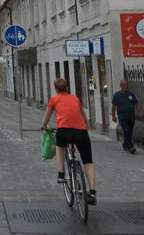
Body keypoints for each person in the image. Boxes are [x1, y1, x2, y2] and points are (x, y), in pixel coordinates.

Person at [41, 77, 97, 205]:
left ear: (56, 89)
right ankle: (92, 192)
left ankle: (61, 174)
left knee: (59, 146)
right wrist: (85, 127)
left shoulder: (54, 99)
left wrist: (45, 127)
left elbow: (47, 116)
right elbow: (84, 116)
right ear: (67, 88)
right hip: (81, 131)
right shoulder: (75, 98)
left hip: (64, 131)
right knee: (88, 161)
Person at [112, 80, 144, 154]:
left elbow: (136, 104)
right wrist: (113, 116)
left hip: (131, 117)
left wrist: (141, 112)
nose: (126, 86)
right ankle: (131, 146)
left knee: (129, 131)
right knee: (126, 130)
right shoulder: (117, 95)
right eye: (124, 85)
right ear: (121, 86)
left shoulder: (131, 94)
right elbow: (113, 107)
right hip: (122, 117)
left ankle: (125, 144)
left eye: (126, 84)